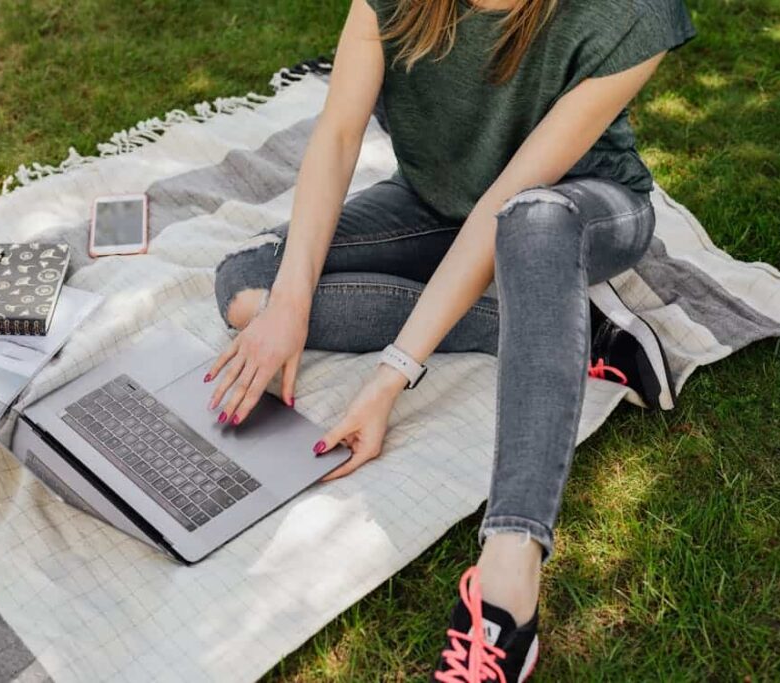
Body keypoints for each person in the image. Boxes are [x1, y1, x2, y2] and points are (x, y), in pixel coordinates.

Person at [207, 0, 694, 679]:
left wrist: (391, 374)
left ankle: (508, 581)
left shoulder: (629, 12)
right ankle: (565, 335)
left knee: (532, 220)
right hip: (434, 204)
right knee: (248, 287)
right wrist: (289, 305)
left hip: (576, 208)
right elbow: (340, 133)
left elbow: (512, 199)